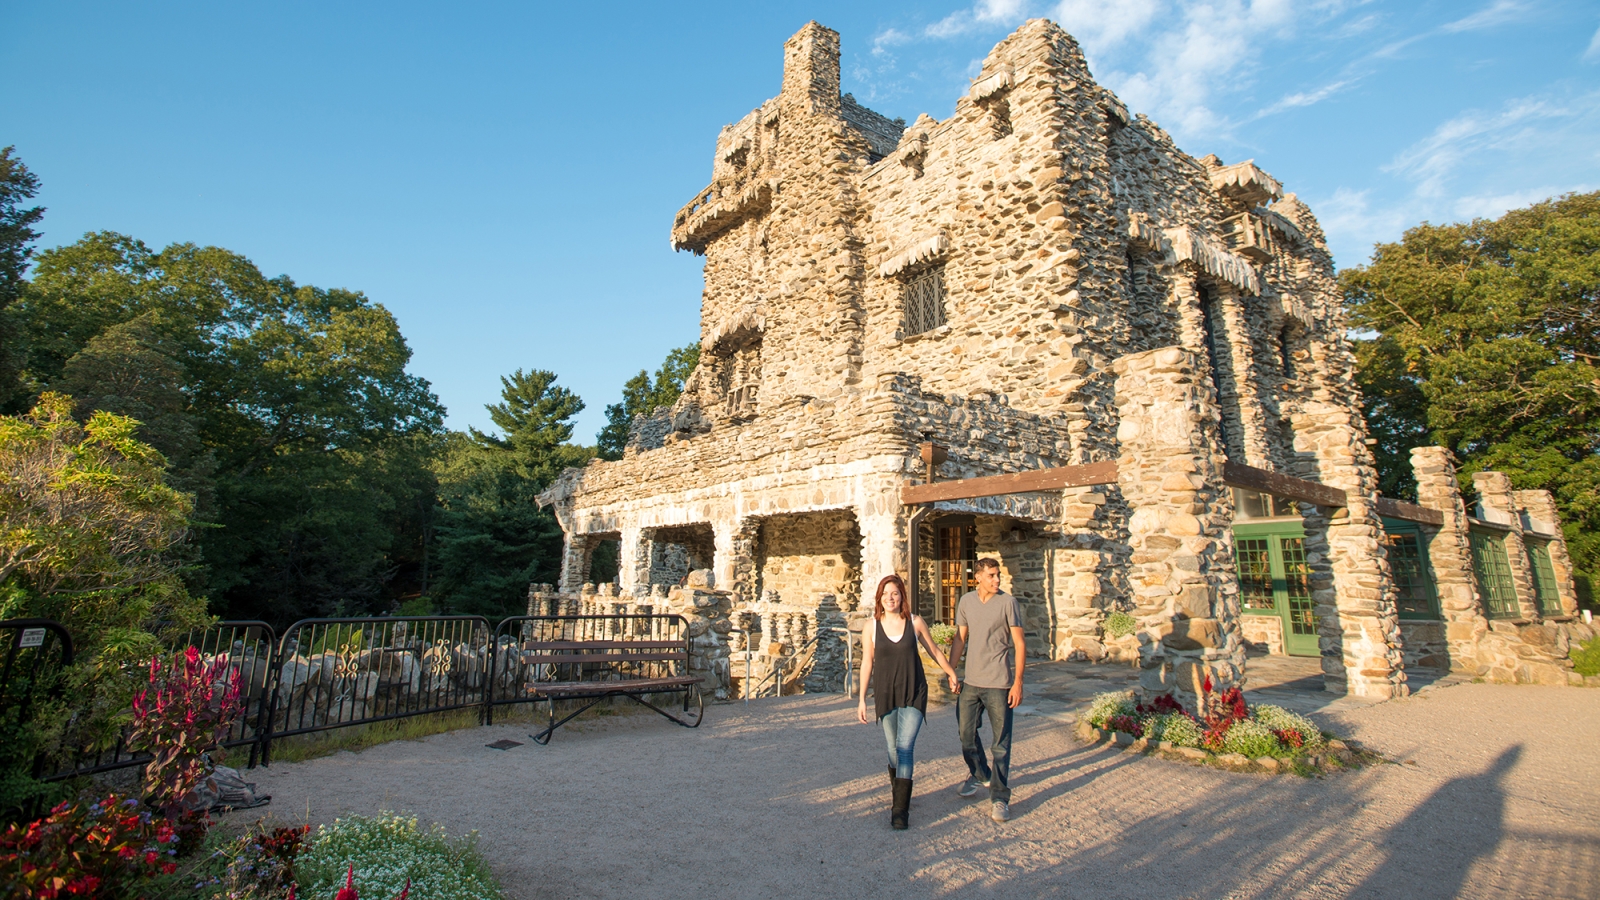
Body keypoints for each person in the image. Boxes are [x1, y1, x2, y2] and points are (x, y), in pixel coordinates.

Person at [857, 573, 959, 830]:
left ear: (902, 596)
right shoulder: (871, 627)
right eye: (886, 594)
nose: (890, 598)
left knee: (904, 747)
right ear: (879, 598)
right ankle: (899, 789)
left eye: (895, 593)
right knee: (892, 748)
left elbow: (934, 650)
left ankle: (900, 809)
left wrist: (951, 672)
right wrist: (861, 699)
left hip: (914, 690)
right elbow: (867, 662)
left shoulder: (915, 623)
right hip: (885, 692)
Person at [948, 557, 1025, 823]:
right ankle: (980, 774)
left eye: (998, 575)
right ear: (977, 577)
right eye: (991, 575)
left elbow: (1019, 643)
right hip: (971, 682)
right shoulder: (966, 601)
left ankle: (1000, 798)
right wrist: (951, 670)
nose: (997, 580)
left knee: (1001, 745)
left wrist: (1018, 682)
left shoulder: (1008, 603)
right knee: (965, 734)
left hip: (999, 684)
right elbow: (960, 637)